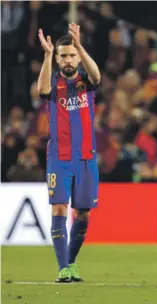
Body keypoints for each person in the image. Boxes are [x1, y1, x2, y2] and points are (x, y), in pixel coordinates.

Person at [37, 24, 101, 283]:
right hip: (60, 158)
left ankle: (71, 263)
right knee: (59, 208)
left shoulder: (87, 81)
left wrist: (80, 45)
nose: (67, 59)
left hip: (86, 157)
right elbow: (41, 90)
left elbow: (97, 76)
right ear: (58, 58)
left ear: (77, 56)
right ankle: (63, 268)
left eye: (71, 55)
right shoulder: (52, 81)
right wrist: (47, 55)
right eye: (63, 55)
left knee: (82, 214)